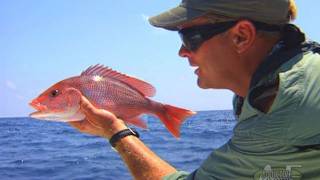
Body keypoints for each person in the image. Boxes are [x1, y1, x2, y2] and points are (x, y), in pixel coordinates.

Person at [69, 0, 320, 179]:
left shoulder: (284, 108)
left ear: (241, 36)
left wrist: (116, 132)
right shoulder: (273, 83)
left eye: (190, 37)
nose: (182, 52)